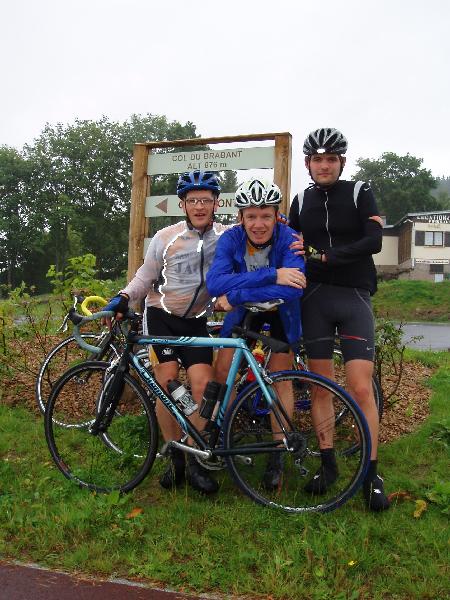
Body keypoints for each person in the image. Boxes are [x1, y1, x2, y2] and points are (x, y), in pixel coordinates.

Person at [104, 170, 229, 495]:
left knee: (204, 386)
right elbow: (145, 277)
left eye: (205, 199)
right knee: (167, 384)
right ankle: (173, 455)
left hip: (197, 320)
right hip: (162, 318)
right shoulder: (166, 237)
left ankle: (194, 456)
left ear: (216, 202)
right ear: (183, 204)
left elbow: (260, 228)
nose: (199, 206)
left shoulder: (227, 235)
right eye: (192, 200)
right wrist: (124, 297)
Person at [288, 127, 389, 511]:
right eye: (317, 159)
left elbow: (374, 241)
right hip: (314, 299)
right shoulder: (302, 199)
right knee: (320, 387)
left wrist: (328, 257)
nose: (324, 165)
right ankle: (327, 463)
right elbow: (290, 244)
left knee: (361, 388)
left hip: (353, 297)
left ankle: (371, 472)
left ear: (341, 163)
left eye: (331, 159)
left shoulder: (360, 191)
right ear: (309, 164)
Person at [206, 178, 306, 490]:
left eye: (266, 216)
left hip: (282, 314)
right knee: (222, 372)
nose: (259, 224)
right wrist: (272, 274)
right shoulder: (232, 239)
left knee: (281, 379)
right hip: (244, 312)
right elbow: (215, 283)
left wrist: (236, 294)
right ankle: (220, 437)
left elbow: (293, 288)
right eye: (252, 216)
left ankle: (278, 453)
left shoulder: (289, 238)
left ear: (277, 215)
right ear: (241, 218)